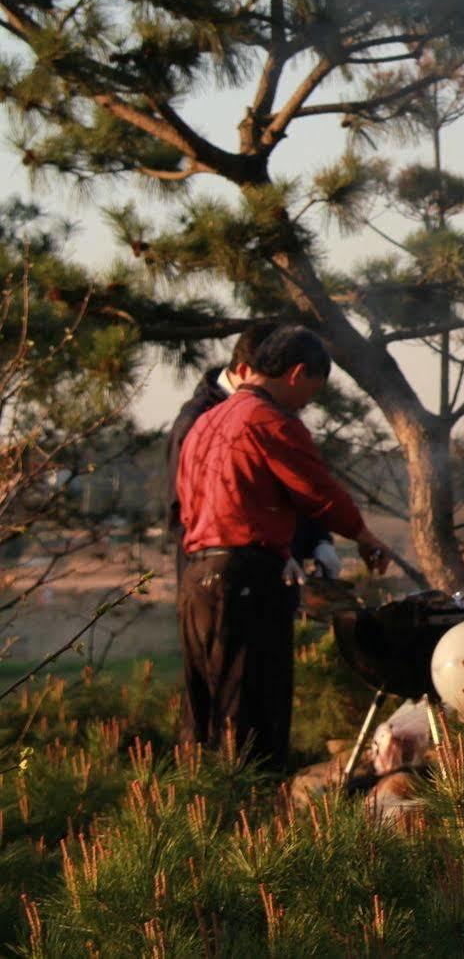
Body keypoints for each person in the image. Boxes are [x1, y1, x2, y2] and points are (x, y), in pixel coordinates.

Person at [176, 326, 392, 769]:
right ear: (297, 374)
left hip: (196, 577)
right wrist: (364, 536)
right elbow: (317, 491)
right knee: (250, 710)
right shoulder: (268, 420)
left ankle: (196, 809)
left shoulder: (204, 422)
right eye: (312, 391)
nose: (308, 404)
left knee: (203, 713)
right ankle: (251, 821)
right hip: (244, 578)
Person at [165, 322, 338, 583]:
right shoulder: (199, 422)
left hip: (271, 577)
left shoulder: (270, 417)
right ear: (246, 370)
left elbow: (292, 486)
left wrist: (319, 540)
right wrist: (262, 554)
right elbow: (185, 515)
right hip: (222, 583)